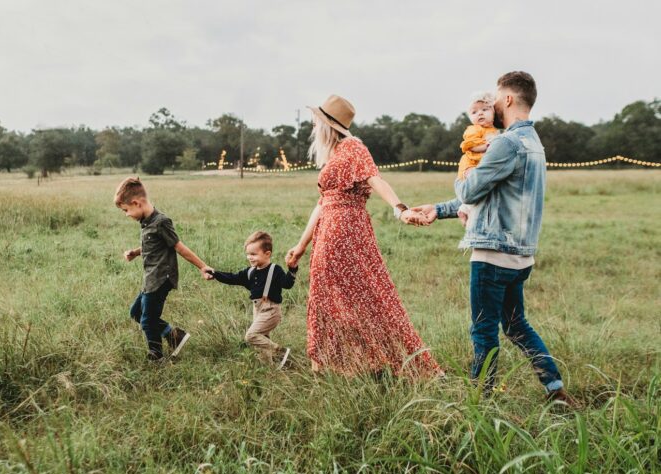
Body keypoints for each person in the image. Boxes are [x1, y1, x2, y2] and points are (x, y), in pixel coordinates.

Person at [412, 71, 577, 406]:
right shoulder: (534, 143)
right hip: (521, 256)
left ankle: (480, 401)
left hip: (492, 254)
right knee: (517, 326)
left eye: (496, 98)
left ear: (509, 99)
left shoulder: (505, 142)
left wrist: (463, 175)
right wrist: (439, 209)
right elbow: (491, 195)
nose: (492, 105)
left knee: (483, 330)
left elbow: (471, 189)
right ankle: (555, 389)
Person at [285, 94, 442, 377]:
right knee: (328, 298)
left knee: (366, 296)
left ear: (328, 125)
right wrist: (300, 246)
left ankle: (376, 361)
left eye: (316, 122)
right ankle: (334, 365)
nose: (313, 127)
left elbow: (375, 178)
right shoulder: (334, 154)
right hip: (329, 231)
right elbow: (322, 203)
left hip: (345, 231)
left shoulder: (353, 148)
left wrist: (400, 209)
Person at [114, 177, 210, 362]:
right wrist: (135, 252)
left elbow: (179, 247)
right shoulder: (147, 222)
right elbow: (153, 245)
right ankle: (174, 335)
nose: (126, 215)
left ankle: (156, 356)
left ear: (137, 203)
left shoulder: (161, 221)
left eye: (126, 210)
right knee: (136, 313)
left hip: (161, 279)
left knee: (147, 320)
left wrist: (203, 266)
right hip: (150, 279)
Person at [206, 231, 296, 368]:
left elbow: (287, 284)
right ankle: (269, 369)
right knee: (263, 341)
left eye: (253, 254)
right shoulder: (250, 272)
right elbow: (232, 278)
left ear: (267, 254)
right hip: (257, 310)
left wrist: (292, 269)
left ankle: (281, 352)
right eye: (248, 254)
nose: (250, 257)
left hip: (271, 310)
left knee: (251, 336)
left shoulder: (275, 270)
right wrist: (215, 273)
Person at [457, 92, 500, 226]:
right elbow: (471, 145)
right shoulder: (474, 129)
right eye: (474, 112)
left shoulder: (494, 131)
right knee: (475, 184)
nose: (480, 113)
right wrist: (487, 146)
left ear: (494, 112)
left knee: (482, 189)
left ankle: (464, 209)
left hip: (481, 164)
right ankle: (467, 213)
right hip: (470, 164)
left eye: (484, 110)